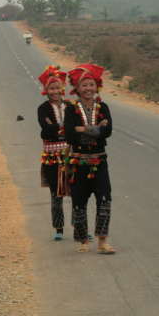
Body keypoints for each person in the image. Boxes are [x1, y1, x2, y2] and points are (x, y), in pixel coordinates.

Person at [64, 63, 116, 254]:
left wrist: (82, 129)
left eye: (91, 84)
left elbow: (108, 131)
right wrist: (96, 129)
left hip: (100, 161)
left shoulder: (103, 107)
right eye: (84, 85)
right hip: (78, 163)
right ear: (77, 88)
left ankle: (102, 242)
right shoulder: (70, 109)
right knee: (79, 201)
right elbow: (69, 134)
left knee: (105, 199)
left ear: (97, 86)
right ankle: (83, 240)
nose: (88, 88)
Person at [37, 66, 72, 240]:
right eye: (51, 88)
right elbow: (46, 130)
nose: (55, 91)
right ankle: (58, 228)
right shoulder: (42, 108)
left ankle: (80, 227)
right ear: (46, 90)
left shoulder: (70, 106)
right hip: (52, 158)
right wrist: (62, 128)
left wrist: (56, 128)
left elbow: (72, 129)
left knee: (77, 193)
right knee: (56, 194)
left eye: (57, 88)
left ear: (62, 88)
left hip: (71, 156)